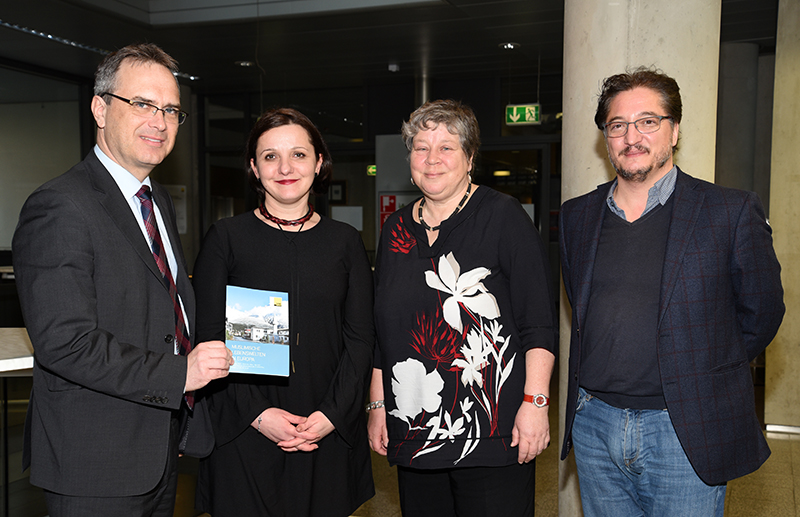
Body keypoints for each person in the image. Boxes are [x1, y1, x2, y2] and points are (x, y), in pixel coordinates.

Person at [12, 43, 233, 516]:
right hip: (94, 461)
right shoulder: (59, 207)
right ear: (99, 107)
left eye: (171, 109)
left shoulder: (154, 203)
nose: (159, 121)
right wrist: (181, 374)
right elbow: (65, 343)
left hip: (156, 448)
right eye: (143, 104)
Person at [559, 67, 785, 516]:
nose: (632, 136)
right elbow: (579, 307)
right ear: (606, 137)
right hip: (594, 424)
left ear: (674, 130)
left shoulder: (729, 211)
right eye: (618, 125)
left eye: (648, 121)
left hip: (684, 429)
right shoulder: (576, 217)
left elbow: (763, 311)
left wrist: (707, 368)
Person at [367, 99, 557, 516]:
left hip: (493, 431)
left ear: (470, 158)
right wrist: (378, 407)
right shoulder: (395, 228)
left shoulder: (503, 216)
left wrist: (536, 404)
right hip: (416, 429)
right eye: (421, 148)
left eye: (447, 147)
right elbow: (383, 331)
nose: (432, 159)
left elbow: (538, 323)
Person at [192, 107, 375, 517]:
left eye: (299, 154)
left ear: (319, 163)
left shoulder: (345, 243)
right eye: (270, 156)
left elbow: (361, 341)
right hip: (245, 427)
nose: (285, 167)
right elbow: (208, 340)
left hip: (325, 426)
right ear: (254, 168)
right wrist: (259, 415)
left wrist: (331, 414)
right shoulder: (226, 239)